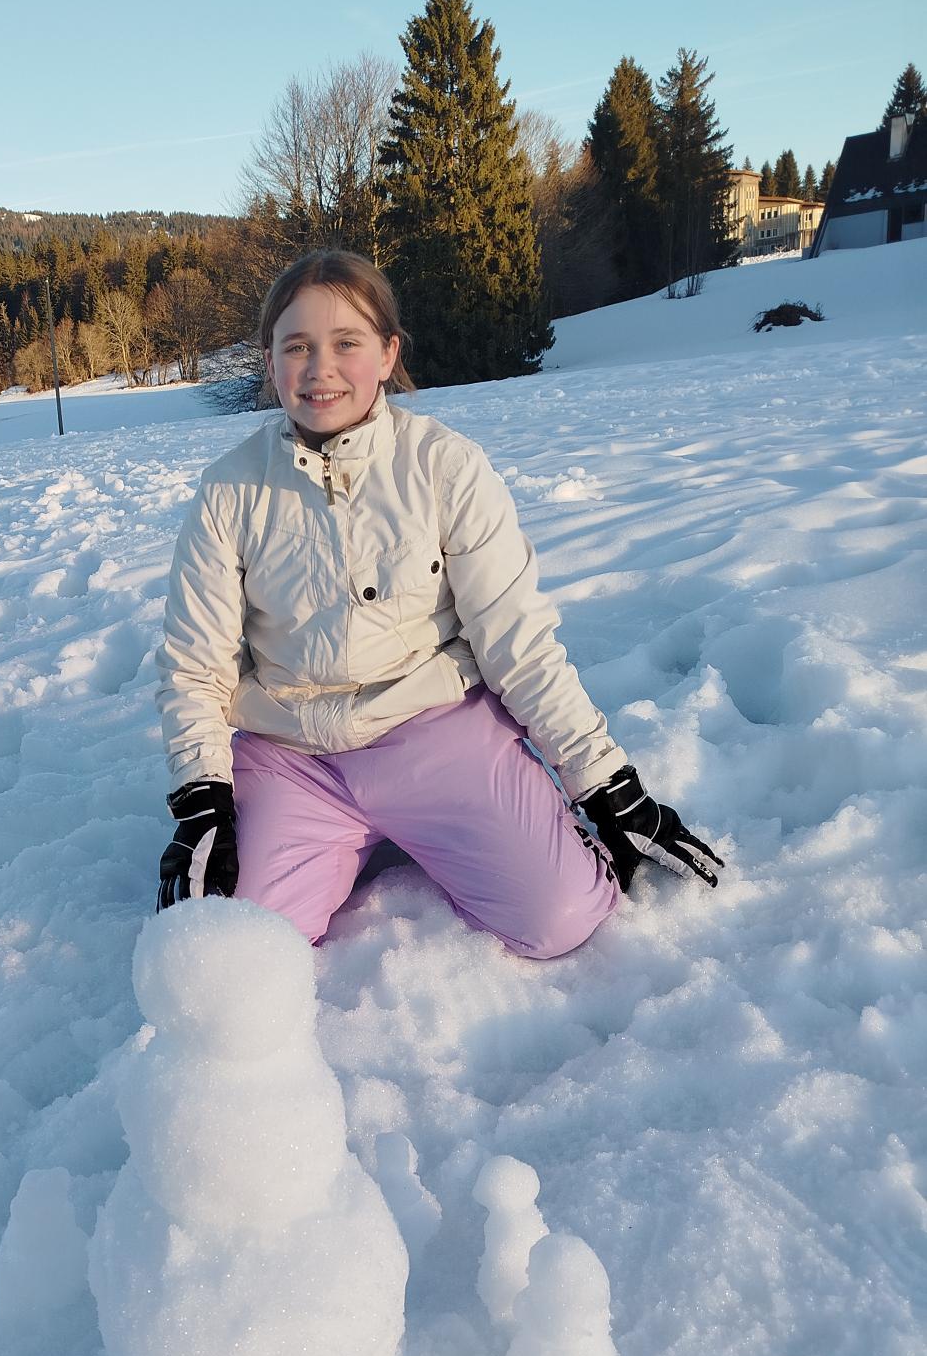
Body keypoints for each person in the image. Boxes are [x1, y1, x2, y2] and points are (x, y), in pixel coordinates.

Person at [154, 249, 721, 953]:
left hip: (436, 733)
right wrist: (203, 802)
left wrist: (606, 786)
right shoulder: (228, 490)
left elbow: (518, 645)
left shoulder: (445, 467)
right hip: (293, 757)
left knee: (559, 920)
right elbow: (195, 665)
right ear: (269, 361)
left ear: (388, 353)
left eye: (346, 342)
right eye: (296, 346)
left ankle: (522, 828)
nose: (320, 368)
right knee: (233, 945)